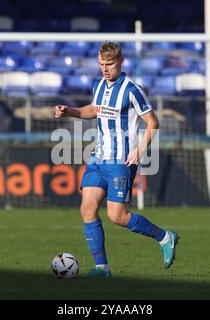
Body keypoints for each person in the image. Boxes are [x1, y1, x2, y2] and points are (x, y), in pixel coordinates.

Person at [54, 42, 179, 278]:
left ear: (120, 62)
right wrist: (68, 110)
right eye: (101, 64)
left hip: (121, 160)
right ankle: (102, 268)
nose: (104, 69)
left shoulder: (132, 89)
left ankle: (164, 237)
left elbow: (153, 123)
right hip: (98, 158)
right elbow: (94, 110)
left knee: (117, 216)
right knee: (87, 209)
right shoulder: (99, 84)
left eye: (109, 64)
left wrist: (140, 149)